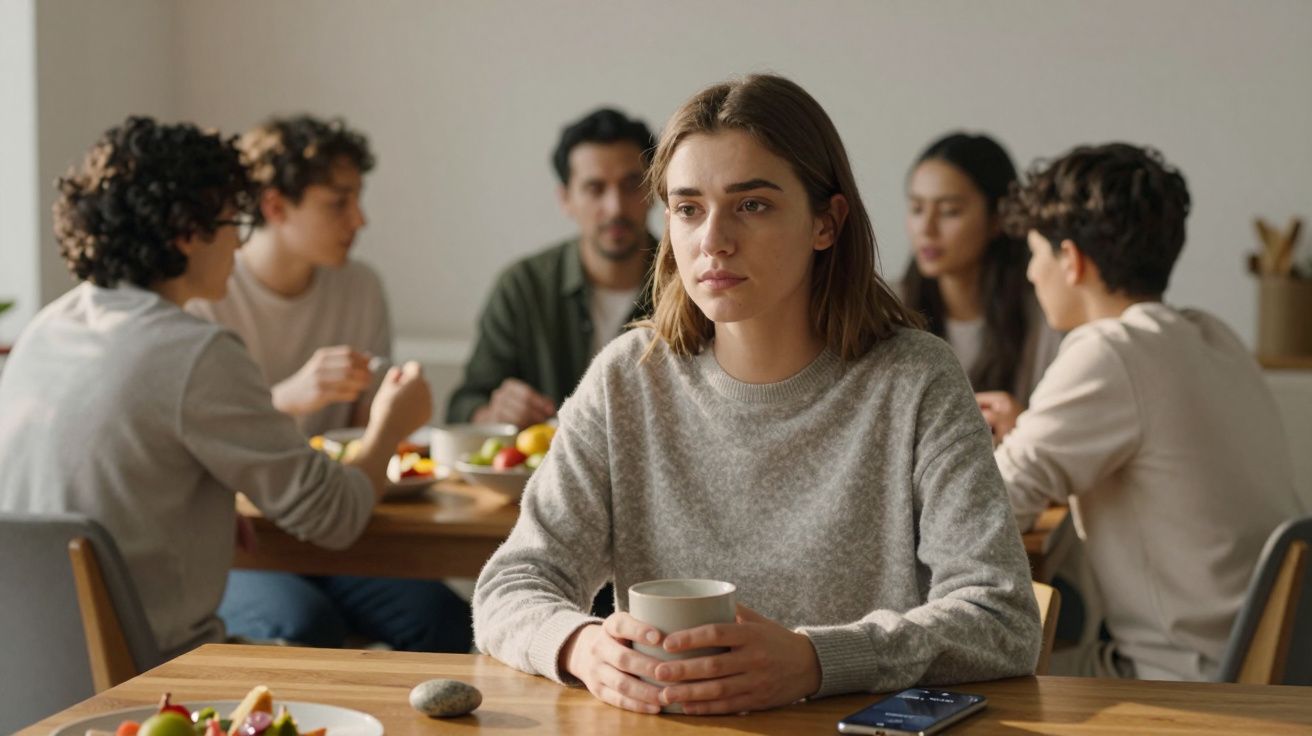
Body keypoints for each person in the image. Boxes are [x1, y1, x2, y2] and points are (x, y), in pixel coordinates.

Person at [473, 74, 1040, 715]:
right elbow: (511, 585)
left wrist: (817, 661)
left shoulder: (916, 380)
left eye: (752, 205)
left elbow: (1002, 618)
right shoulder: (626, 378)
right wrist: (578, 644)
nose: (713, 238)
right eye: (688, 208)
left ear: (826, 222)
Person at [0, 117, 432, 658]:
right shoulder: (195, 351)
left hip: (33, 672)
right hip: (152, 675)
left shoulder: (49, 327)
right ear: (188, 232)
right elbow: (335, 517)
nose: (239, 239)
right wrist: (392, 422)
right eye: (232, 220)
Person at [995, 143, 1306, 680]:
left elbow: (993, 502)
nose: (1029, 274)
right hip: (1273, 660)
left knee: (980, 686)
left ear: (1071, 260)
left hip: (1189, 676)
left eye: (1035, 255)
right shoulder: (1211, 335)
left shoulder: (1111, 350)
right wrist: (1030, 428)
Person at [189, 115, 472, 654]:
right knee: (304, 624)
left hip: (341, 522)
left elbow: (364, 437)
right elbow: (201, 451)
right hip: (244, 541)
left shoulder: (359, 286)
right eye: (338, 203)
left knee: (444, 621)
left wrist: (391, 412)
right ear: (274, 206)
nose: (359, 219)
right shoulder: (210, 293)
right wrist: (288, 399)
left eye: (357, 199)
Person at [446, 108, 657, 429]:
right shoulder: (523, 286)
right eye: (595, 189)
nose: (615, 207)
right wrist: (494, 414)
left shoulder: (690, 285)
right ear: (565, 199)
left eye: (631, 185)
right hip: (538, 475)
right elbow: (463, 404)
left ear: (653, 190)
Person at [901, 133, 1061, 440]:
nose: (927, 229)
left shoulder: (1044, 318)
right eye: (917, 209)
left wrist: (1023, 428)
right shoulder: (887, 310)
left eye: (949, 211)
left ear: (997, 218)